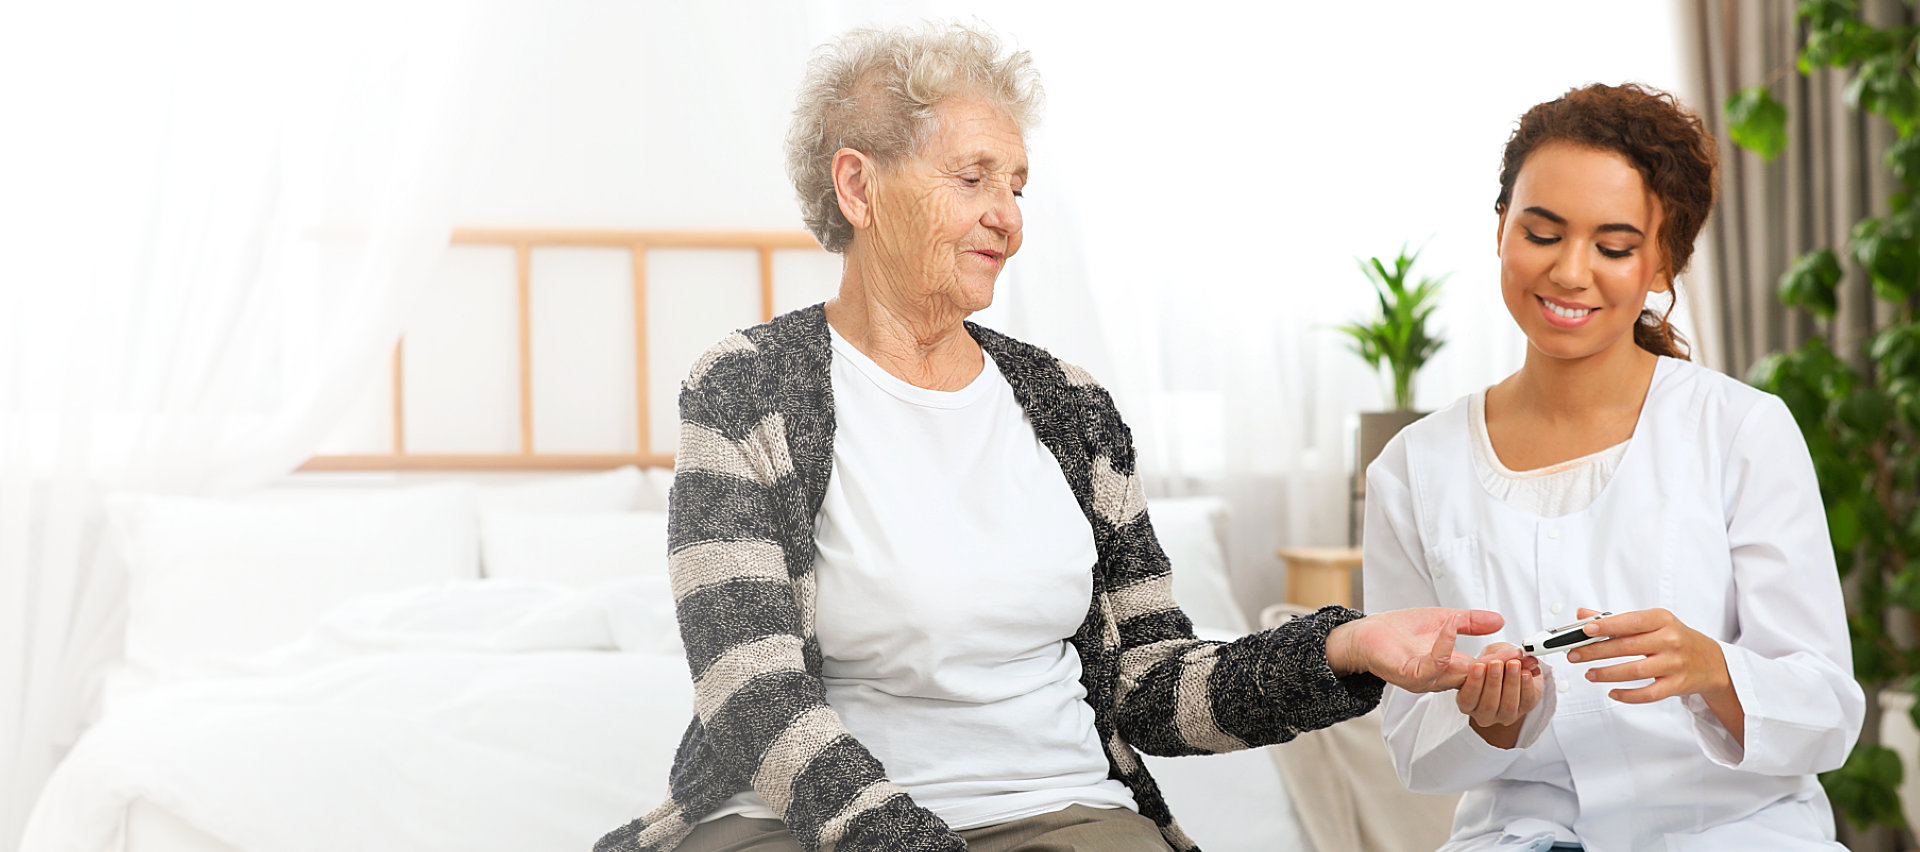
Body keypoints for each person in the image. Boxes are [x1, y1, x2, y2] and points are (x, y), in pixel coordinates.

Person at [595, 22, 1505, 852]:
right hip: (809, 826)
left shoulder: (1071, 407)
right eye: (974, 177)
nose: (1009, 217)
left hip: (1055, 811)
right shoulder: (750, 388)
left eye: (1018, 186)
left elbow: (1152, 684)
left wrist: (1346, 648)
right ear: (858, 186)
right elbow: (750, 693)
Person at [1362, 82, 1865, 851]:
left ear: (1664, 263)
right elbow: (1412, 745)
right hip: (1519, 837)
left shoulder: (1741, 431)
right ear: (1501, 229)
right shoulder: (1413, 468)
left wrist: (1711, 669)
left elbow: (1827, 710)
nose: (1570, 271)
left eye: (1614, 246)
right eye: (1542, 232)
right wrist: (1496, 724)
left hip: (1737, 833)